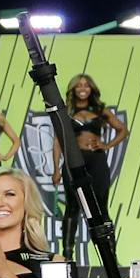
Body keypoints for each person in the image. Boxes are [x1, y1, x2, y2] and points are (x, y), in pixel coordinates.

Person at [55, 73, 129, 260]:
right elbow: (57, 141)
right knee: (72, 208)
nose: (82, 88)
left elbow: (122, 130)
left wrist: (107, 145)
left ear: (91, 89)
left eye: (86, 85)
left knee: (101, 208)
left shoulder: (100, 109)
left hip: (96, 160)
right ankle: (68, 255)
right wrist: (56, 169)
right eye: (79, 85)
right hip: (74, 161)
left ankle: (111, 255)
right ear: (73, 89)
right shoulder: (66, 111)